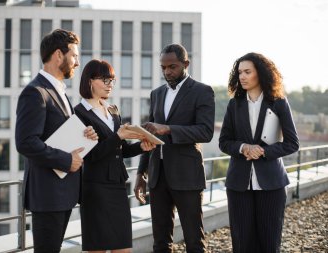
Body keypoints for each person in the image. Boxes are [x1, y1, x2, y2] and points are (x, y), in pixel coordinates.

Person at [15, 29, 98, 253]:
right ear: (58, 55)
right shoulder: (35, 92)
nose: (78, 63)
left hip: (63, 193)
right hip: (48, 195)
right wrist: (65, 160)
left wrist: (85, 134)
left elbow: (58, 134)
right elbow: (25, 142)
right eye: (74, 56)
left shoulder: (59, 91)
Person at [134, 44, 215, 252]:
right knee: (160, 241)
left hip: (187, 176)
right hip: (158, 177)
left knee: (194, 240)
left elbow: (205, 132)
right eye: (163, 67)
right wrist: (141, 173)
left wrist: (168, 129)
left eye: (173, 67)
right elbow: (149, 136)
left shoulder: (202, 91)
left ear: (186, 64)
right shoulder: (157, 94)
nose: (167, 72)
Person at [219, 52, 299, 252]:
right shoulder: (234, 105)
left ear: (260, 74)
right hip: (238, 184)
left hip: (272, 184)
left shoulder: (279, 103)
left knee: (269, 244)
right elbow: (224, 142)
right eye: (239, 73)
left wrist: (263, 151)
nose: (242, 77)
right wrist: (243, 147)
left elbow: (292, 143)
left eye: (247, 72)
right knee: (242, 244)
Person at [74, 59, 156, 253]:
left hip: (118, 186)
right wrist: (118, 135)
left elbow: (123, 150)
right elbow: (90, 155)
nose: (110, 84)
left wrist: (142, 147)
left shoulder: (112, 110)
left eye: (112, 80)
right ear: (90, 81)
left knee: (123, 248)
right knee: (98, 249)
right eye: (105, 80)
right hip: (95, 188)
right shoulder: (78, 113)